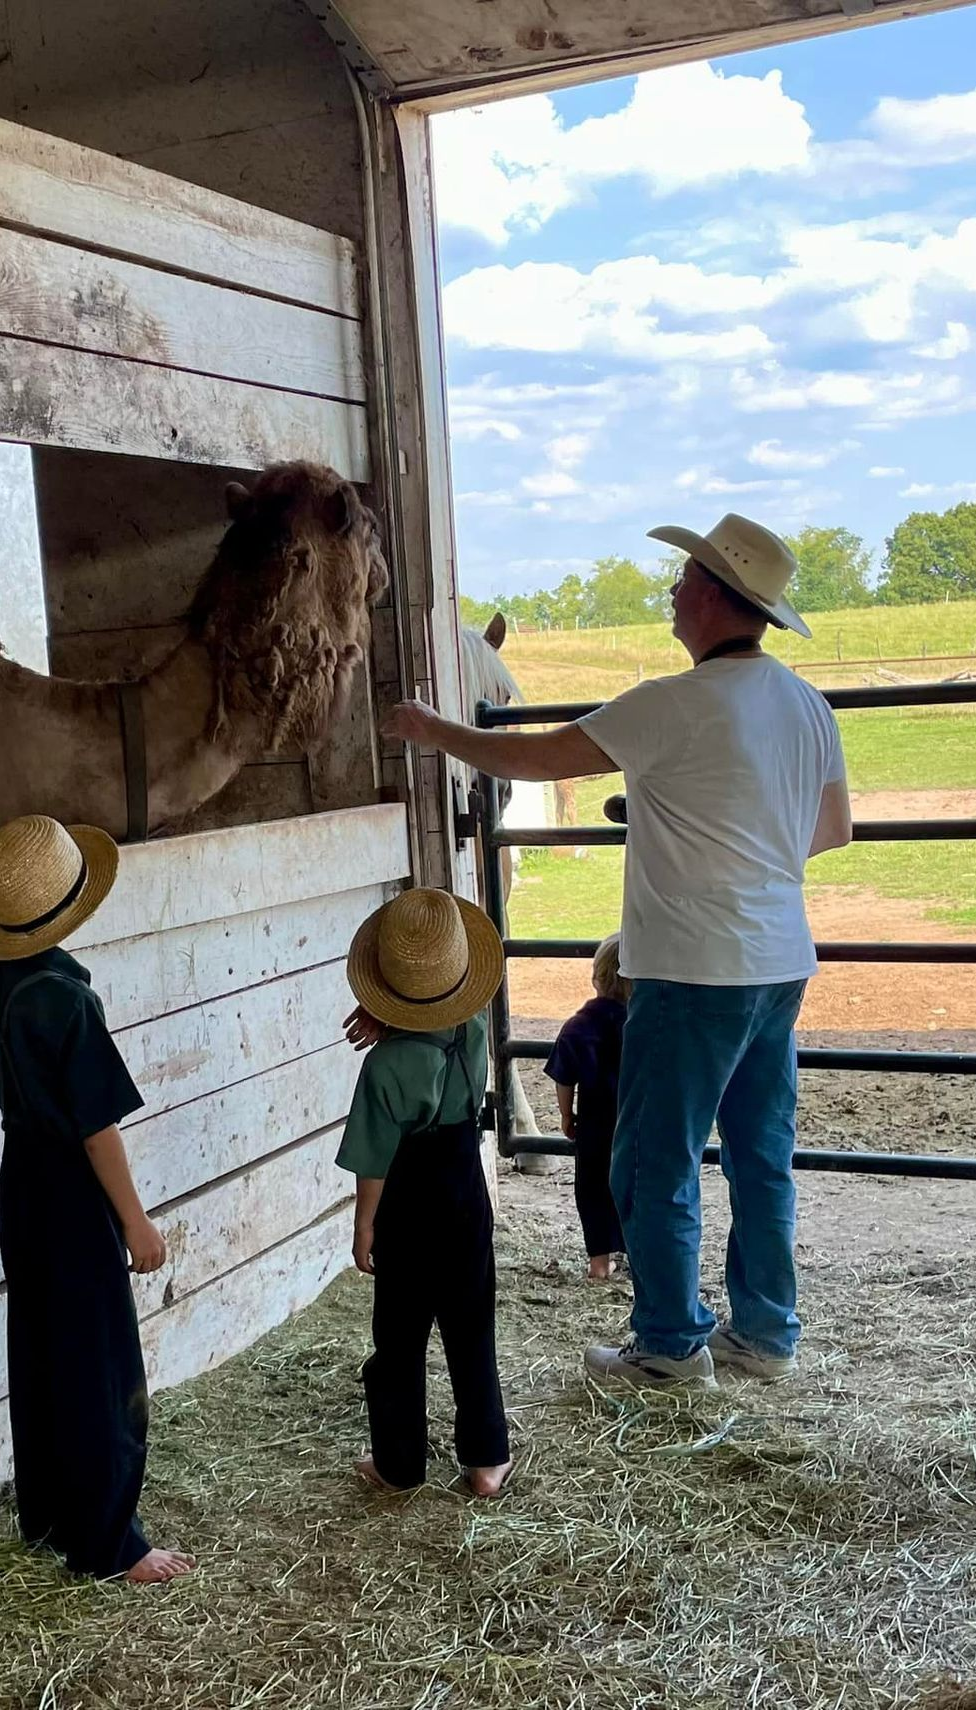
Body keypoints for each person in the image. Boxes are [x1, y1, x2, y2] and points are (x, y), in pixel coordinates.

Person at [381, 513, 852, 1391]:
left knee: (651, 1156)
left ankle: (670, 1346)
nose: (673, 592)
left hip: (690, 964)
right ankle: (766, 1332)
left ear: (714, 596)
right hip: (780, 958)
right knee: (760, 1151)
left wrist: (434, 731)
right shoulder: (805, 703)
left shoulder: (667, 704)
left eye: (682, 580)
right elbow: (829, 831)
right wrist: (724, 834)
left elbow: (535, 758)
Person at [0, 814, 194, 1583]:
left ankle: (51, 1515)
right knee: (100, 1360)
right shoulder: (65, 998)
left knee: (42, 1349)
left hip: (19, 1177)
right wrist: (136, 1222)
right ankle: (110, 1544)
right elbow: (97, 1130)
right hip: (69, 1182)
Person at [338, 887, 512, 1497]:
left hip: (408, 1203)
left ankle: (399, 1463)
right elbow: (441, 1021)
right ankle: (487, 1459)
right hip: (464, 1187)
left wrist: (365, 1226)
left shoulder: (382, 1067)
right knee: (471, 1325)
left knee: (399, 1336)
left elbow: (374, 1157)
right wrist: (398, 1016)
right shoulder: (474, 1023)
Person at [544, 933, 629, 1281]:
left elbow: (564, 1076)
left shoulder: (578, 1025)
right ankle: (637, 1254)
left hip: (594, 1125)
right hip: (634, 1121)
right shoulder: (639, 1024)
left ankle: (599, 1262)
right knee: (634, 1187)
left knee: (593, 1190)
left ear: (596, 975)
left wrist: (567, 1114)